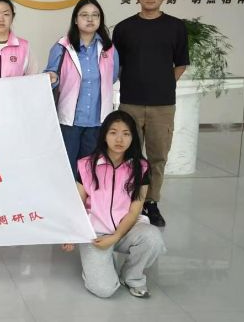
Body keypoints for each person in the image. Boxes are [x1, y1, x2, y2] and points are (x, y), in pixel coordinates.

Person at [112, 0, 190, 227]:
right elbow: (116, 66)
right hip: (130, 103)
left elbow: (180, 64)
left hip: (162, 105)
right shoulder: (123, 29)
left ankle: (151, 203)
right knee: (128, 155)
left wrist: (163, 84)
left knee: (158, 157)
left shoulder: (176, 27)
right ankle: (127, 202)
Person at [62, 110, 166, 299]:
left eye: (126, 134)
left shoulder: (141, 167)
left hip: (127, 229)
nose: (119, 139)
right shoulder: (86, 165)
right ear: (104, 135)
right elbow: (77, 203)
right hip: (96, 234)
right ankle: (100, 264)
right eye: (113, 132)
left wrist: (116, 236)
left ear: (133, 138)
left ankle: (132, 276)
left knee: (153, 239)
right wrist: (71, 232)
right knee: (104, 289)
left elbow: (135, 210)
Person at [44, 0, 119, 177]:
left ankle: (85, 196)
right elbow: (50, 76)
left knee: (90, 170)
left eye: (95, 15)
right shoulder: (62, 47)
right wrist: (53, 78)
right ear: (76, 20)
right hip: (70, 120)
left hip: (97, 121)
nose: (90, 19)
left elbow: (113, 77)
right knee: (66, 169)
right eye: (84, 15)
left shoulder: (109, 48)